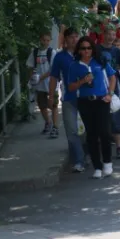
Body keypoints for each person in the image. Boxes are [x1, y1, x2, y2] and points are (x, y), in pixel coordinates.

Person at [68, 36, 117, 179]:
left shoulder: (99, 61)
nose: (86, 51)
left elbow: (112, 76)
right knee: (92, 135)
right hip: (85, 102)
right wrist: (83, 80)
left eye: (89, 48)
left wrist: (110, 94)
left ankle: (107, 162)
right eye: (83, 48)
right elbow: (70, 86)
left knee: (105, 133)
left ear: (92, 49)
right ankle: (97, 166)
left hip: (101, 100)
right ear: (79, 50)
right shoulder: (74, 65)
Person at [49, 27, 85, 173]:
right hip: (68, 98)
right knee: (71, 130)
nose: (74, 39)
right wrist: (51, 95)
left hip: (85, 97)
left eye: (77, 36)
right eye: (71, 37)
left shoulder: (85, 52)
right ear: (66, 39)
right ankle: (79, 160)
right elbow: (53, 77)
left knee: (86, 130)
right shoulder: (60, 57)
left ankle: (87, 154)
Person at [98, 24, 120, 159]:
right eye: (108, 34)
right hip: (100, 87)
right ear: (103, 34)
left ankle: (119, 147)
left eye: (113, 34)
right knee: (103, 119)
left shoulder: (117, 51)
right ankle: (105, 145)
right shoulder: (97, 49)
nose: (111, 37)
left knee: (117, 118)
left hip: (116, 87)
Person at [26, 32, 59, 138]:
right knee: (42, 105)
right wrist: (32, 78)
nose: (45, 42)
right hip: (39, 85)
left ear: (50, 41)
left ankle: (55, 127)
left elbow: (53, 69)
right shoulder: (35, 52)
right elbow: (30, 66)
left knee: (53, 105)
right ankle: (48, 122)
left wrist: (41, 77)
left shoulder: (52, 52)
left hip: (51, 83)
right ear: (40, 40)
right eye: (43, 40)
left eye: (47, 40)